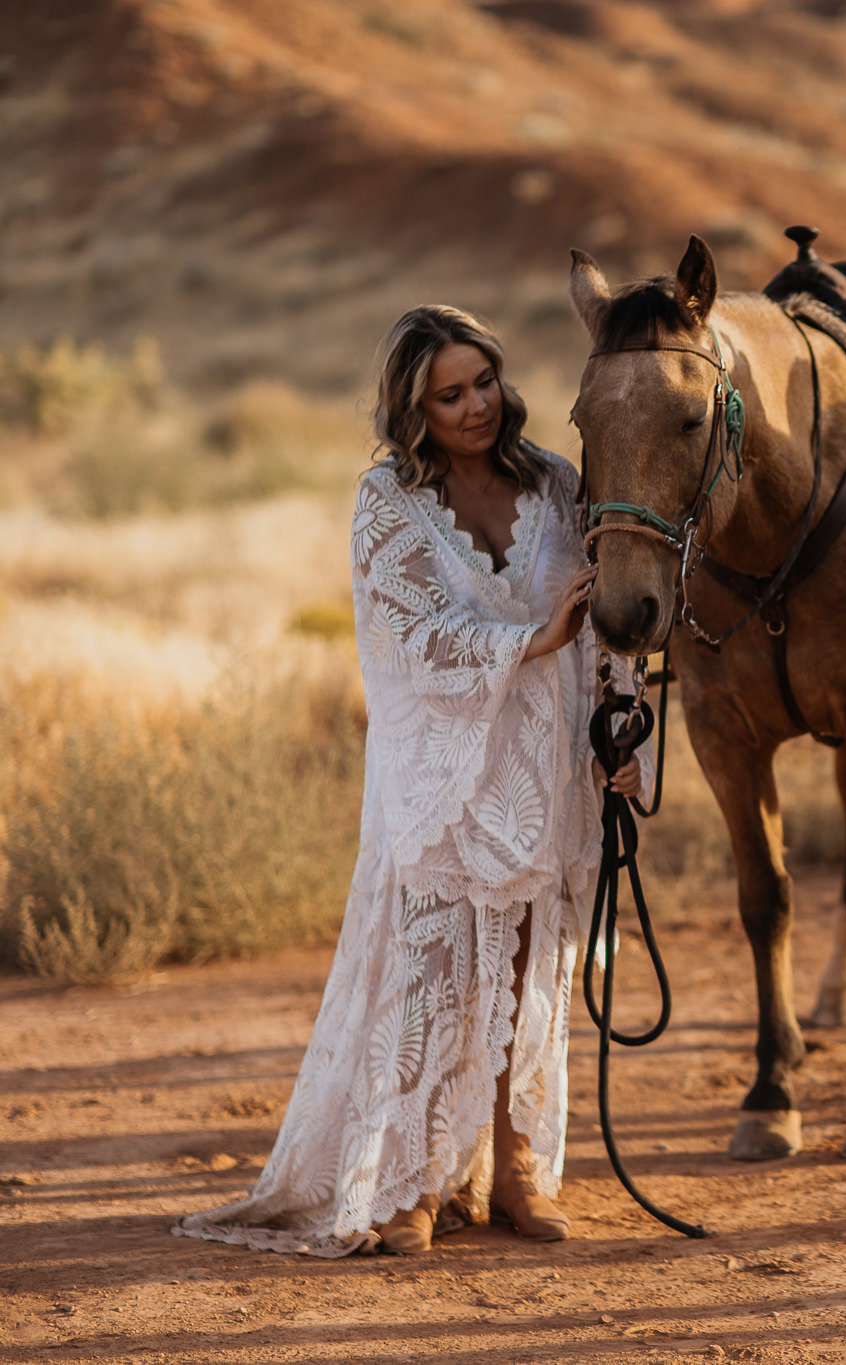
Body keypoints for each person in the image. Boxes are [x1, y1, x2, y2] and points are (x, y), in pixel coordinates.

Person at [175, 305, 642, 1257]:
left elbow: (604, 619)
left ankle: (514, 1173)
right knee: (430, 977)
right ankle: (410, 1182)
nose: (478, 406)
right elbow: (408, 639)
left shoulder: (557, 483)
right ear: (413, 408)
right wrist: (526, 639)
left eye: (485, 382)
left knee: (527, 968)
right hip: (442, 774)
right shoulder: (387, 501)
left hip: (547, 763)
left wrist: (620, 730)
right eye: (451, 393)